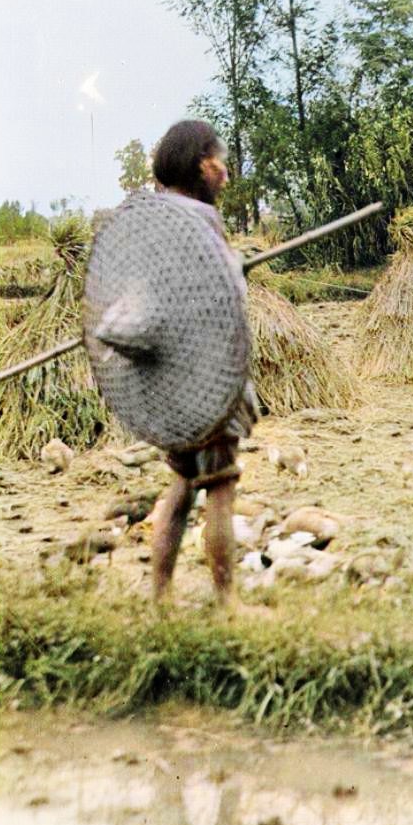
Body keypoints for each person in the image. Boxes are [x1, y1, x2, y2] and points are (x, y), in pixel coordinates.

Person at [148, 119, 259, 605]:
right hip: (208, 379)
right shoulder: (199, 222)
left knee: (181, 483)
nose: (226, 175)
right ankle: (226, 603)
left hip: (169, 384)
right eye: (221, 162)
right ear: (200, 164)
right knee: (219, 487)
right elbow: (222, 297)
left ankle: (160, 599)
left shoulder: (153, 225)